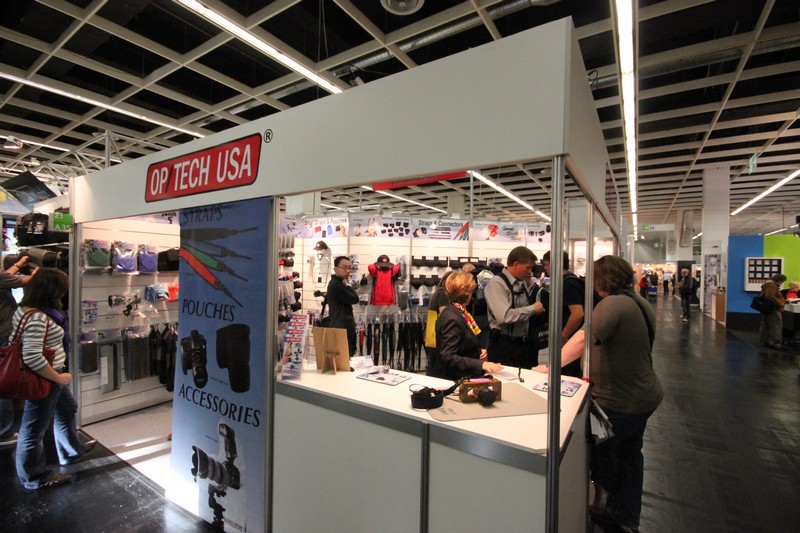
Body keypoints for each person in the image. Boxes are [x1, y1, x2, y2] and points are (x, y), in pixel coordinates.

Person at [533, 255, 662, 533]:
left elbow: (583, 338)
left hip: (619, 402)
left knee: (601, 453)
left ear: (601, 279)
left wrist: (549, 368)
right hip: (641, 396)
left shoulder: (613, 304)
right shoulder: (637, 301)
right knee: (630, 455)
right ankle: (624, 516)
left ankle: (605, 507)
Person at [15, 268, 96, 490]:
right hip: (45, 377)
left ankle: (71, 451)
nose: (64, 292)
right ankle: (34, 477)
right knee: (33, 429)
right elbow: (31, 356)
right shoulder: (39, 317)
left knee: (67, 408)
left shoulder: (27, 310)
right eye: (62, 288)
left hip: (50, 375)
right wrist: (58, 378)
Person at [428, 272, 503, 381]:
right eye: (472, 292)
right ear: (467, 294)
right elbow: (448, 356)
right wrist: (480, 364)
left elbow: (460, 345)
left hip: (460, 377)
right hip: (454, 380)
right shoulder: (452, 318)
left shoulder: (459, 312)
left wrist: (477, 352)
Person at [484, 246, 545, 368]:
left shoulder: (522, 283)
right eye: (527, 267)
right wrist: (532, 309)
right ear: (516, 264)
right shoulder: (497, 283)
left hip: (524, 347)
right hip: (504, 346)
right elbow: (504, 316)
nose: (530, 272)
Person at [0, 254, 36, 447]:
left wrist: (19, 264)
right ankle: (4, 432)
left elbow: (7, 275)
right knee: (4, 380)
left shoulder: (2, 276)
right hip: (2, 334)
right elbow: (24, 281)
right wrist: (39, 273)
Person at [542, 250, 585, 378]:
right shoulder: (573, 281)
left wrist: (564, 335)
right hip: (574, 337)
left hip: (571, 338)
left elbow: (578, 313)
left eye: (547, 265)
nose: (545, 268)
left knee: (567, 374)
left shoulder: (566, 283)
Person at [326, 256, 359, 356]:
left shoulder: (339, 283)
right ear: (335, 269)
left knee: (345, 359)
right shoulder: (336, 285)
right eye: (344, 267)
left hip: (342, 328)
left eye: (349, 268)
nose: (348, 271)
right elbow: (355, 299)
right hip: (341, 330)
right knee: (343, 360)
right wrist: (348, 285)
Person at [759, 273, 786, 350]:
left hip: (767, 309)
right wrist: (780, 303)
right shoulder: (772, 286)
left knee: (765, 325)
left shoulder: (768, 285)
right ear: (779, 280)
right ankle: (775, 343)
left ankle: (764, 341)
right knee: (776, 326)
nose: (782, 283)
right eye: (782, 281)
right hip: (773, 309)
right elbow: (770, 296)